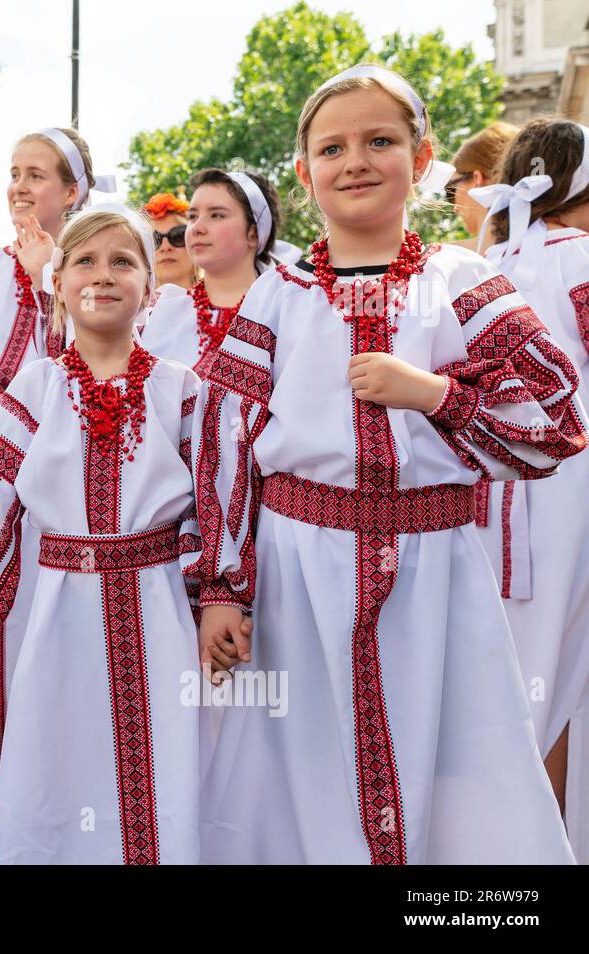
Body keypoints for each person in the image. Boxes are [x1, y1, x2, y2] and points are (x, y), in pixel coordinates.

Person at [192, 65, 581, 863]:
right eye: (332, 148)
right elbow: (225, 442)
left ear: (423, 155)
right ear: (305, 174)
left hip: (435, 574)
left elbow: (558, 419)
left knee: (450, 764)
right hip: (298, 573)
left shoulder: (464, 281)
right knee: (300, 766)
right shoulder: (277, 296)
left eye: (381, 140)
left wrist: (438, 395)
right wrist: (222, 588)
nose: (356, 160)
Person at [0, 204, 202, 863]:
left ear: (151, 291)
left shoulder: (181, 391)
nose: (103, 275)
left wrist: (220, 598)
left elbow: (215, 505)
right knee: (59, 747)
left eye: (123, 261)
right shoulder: (35, 388)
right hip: (58, 607)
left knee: (162, 752)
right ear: (58, 283)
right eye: (85, 261)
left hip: (159, 609)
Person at [0, 126, 113, 853]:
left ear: (73, 190)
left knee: (53, 616)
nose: (20, 186)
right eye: (14, 172)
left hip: (68, 446)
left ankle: (63, 791)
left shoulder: (96, 259)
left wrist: (48, 278)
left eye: (38, 173)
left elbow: (93, 358)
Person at [469, 117, 589, 861]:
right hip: (568, 494)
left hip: (492, 498)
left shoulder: (483, 261)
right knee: (561, 687)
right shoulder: (577, 258)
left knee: (518, 688)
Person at [141, 169, 280, 375]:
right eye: (193, 216)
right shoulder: (157, 310)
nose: (197, 228)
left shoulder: (284, 309)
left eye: (217, 215)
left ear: (253, 232)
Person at [446, 122, 518, 252]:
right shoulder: (555, 246)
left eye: (451, 190)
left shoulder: (445, 259)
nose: (454, 208)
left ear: (476, 179)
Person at [143, 192, 196, 289]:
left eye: (178, 236)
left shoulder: (225, 300)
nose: (165, 247)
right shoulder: (129, 304)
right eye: (154, 239)